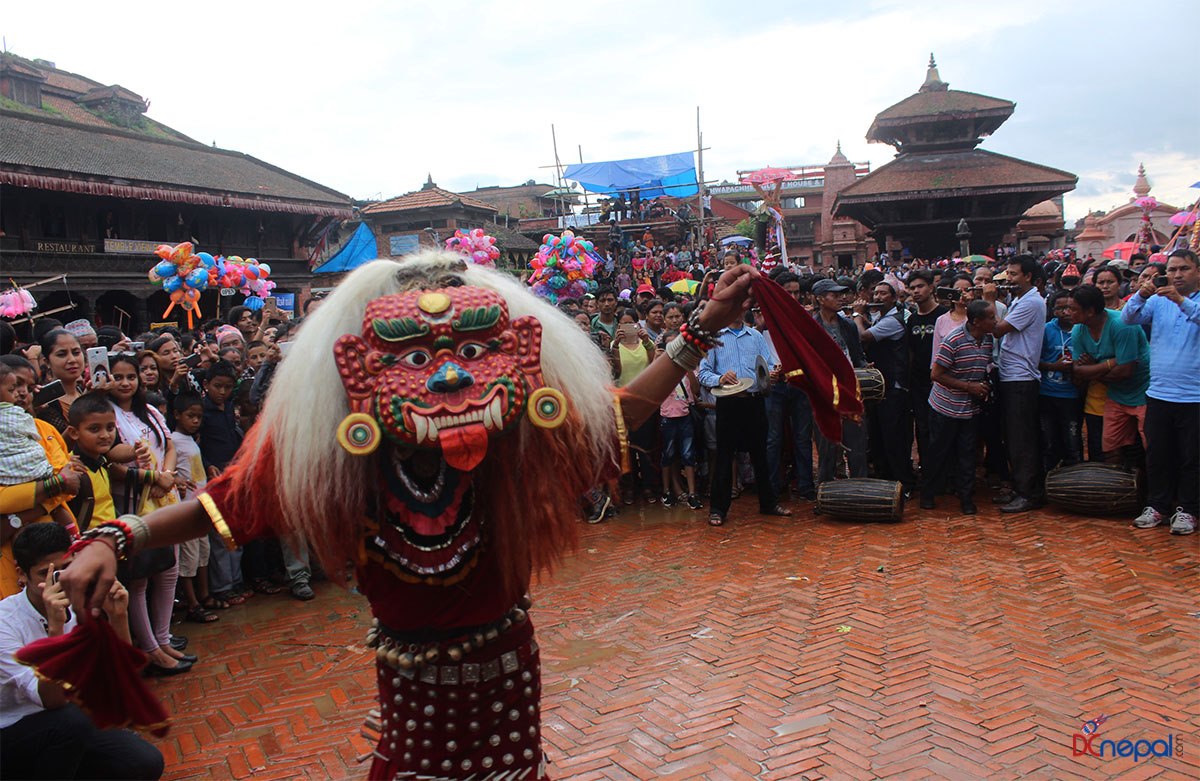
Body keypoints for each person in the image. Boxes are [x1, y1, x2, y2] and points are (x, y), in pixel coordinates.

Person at [60, 250, 758, 780]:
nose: (449, 376)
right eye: (418, 355)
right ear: (366, 362)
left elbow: (616, 415)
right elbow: (226, 505)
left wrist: (701, 328)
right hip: (411, 696)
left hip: (508, 678)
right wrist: (114, 534)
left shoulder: (515, 437)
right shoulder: (333, 453)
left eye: (470, 351)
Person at [0, 523, 164, 780]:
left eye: (67, 569)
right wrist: (56, 630)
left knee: (145, 763)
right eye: (47, 574)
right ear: (21, 574)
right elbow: (52, 701)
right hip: (14, 734)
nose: (60, 581)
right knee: (71, 720)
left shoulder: (82, 600)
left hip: (70, 727)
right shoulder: (5, 623)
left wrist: (118, 617)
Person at [1122, 248, 1199, 534]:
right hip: (1159, 392)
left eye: (1184, 269)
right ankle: (1158, 506)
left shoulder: (1188, 301)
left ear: (1198, 271)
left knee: (1192, 457)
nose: (1177, 275)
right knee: (1157, 454)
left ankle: (1189, 510)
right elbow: (1128, 318)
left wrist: (1181, 302)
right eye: (1173, 270)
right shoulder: (1158, 300)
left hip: (1194, 396)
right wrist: (1142, 294)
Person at [698, 308, 791, 526]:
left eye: (740, 307)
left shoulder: (756, 336)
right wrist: (720, 378)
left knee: (761, 454)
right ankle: (718, 509)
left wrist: (773, 373)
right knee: (724, 455)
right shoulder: (716, 338)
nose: (736, 312)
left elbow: (766, 365)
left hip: (755, 401)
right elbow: (703, 373)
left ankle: (768, 503)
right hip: (728, 403)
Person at [921, 300, 997, 513]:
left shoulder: (988, 339)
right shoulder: (953, 340)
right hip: (944, 407)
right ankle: (928, 493)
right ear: (977, 321)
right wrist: (968, 386)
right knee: (938, 451)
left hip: (969, 409)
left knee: (967, 453)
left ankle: (965, 497)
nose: (995, 321)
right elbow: (935, 375)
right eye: (991, 318)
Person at [1068, 284, 1150, 472]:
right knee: (1111, 448)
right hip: (1116, 394)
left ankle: (1153, 494)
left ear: (1090, 311)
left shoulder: (1121, 325)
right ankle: (1114, 491)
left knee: (1150, 447)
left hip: (1143, 393)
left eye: (1073, 309)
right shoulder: (1078, 330)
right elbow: (1078, 370)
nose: (1068, 313)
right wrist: (1110, 364)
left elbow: (1126, 371)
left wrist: (1094, 369)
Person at [991, 256, 1046, 513]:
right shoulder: (1020, 300)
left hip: (1021, 379)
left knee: (1021, 439)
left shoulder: (1032, 302)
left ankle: (1029, 492)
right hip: (1010, 375)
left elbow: (998, 329)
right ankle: (1019, 486)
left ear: (1028, 277)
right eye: (1008, 273)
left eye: (1013, 274)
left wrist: (989, 300)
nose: (1008, 278)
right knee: (1011, 437)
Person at [0, 363, 78, 535]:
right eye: (16, 385)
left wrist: (51, 490)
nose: (21, 392)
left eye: (29, 387)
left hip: (54, 534)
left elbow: (69, 481)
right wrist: (52, 490)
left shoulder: (44, 429)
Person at [851, 281, 914, 489]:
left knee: (893, 436)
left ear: (894, 298)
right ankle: (886, 478)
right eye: (875, 293)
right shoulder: (881, 317)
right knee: (879, 436)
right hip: (881, 386)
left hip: (893, 386)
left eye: (883, 294)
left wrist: (857, 315)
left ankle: (903, 482)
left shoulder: (894, 320)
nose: (877, 297)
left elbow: (863, 336)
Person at [764, 272, 815, 500]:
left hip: (801, 384)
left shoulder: (805, 319)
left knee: (803, 438)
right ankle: (772, 488)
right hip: (776, 386)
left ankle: (806, 487)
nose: (793, 296)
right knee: (773, 439)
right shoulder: (764, 320)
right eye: (788, 292)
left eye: (796, 292)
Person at [811, 279, 868, 482]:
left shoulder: (849, 325)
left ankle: (859, 491)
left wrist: (864, 367)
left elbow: (857, 354)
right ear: (819, 299)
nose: (841, 299)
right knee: (826, 449)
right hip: (824, 394)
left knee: (857, 446)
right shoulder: (811, 326)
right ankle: (825, 495)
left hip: (850, 390)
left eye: (841, 295)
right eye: (834, 295)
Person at [170, 391, 218, 621]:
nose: (196, 421)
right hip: (186, 508)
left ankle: (205, 595)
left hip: (201, 504)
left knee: (202, 553)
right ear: (177, 415)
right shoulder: (173, 441)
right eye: (191, 416)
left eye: (199, 417)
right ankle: (192, 603)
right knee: (189, 558)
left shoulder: (191, 440)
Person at [905, 270, 947, 472]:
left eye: (920, 286)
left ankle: (945, 471)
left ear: (931, 287)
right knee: (922, 429)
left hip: (943, 382)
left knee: (942, 429)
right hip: (919, 384)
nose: (916, 291)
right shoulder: (911, 320)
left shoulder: (944, 315)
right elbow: (911, 353)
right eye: (912, 288)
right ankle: (927, 469)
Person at [657, 331, 702, 510]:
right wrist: (656, 361)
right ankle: (666, 492)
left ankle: (692, 493)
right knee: (667, 455)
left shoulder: (687, 368)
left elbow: (696, 389)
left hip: (685, 417)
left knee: (688, 455)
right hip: (667, 417)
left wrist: (688, 364)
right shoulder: (660, 370)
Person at [1038, 291, 1082, 469]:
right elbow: (1034, 360)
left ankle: (1074, 483)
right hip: (1047, 394)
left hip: (1072, 395)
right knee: (1048, 441)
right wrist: (1054, 367)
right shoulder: (1047, 329)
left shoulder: (1083, 329)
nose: (1065, 312)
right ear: (1053, 310)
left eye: (1069, 308)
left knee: (1072, 440)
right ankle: (1048, 483)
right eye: (1060, 308)